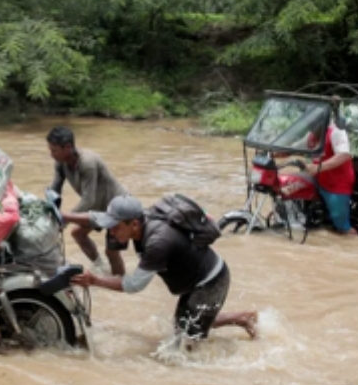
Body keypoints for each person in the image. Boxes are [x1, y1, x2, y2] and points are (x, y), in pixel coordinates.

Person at [70, 195, 258, 346]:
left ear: (133, 224)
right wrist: (63, 216)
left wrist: (95, 280)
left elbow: (135, 284)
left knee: (188, 347)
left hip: (210, 281)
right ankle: (242, 318)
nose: (110, 232)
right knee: (183, 326)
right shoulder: (141, 220)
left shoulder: (158, 242)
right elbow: (96, 218)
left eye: (115, 227)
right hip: (198, 280)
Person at [47, 126, 129, 278]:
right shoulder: (60, 163)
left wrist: (65, 219)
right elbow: (55, 190)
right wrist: (48, 210)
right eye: (50, 150)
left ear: (68, 147)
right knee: (77, 233)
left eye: (55, 150)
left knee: (111, 251)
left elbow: (88, 199)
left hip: (118, 207)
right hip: (98, 207)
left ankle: (120, 283)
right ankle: (99, 265)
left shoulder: (87, 163)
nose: (51, 155)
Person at [303, 109, 356, 235]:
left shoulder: (335, 132)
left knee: (342, 227)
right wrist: (274, 153)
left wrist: (319, 167)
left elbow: (344, 155)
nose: (311, 129)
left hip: (337, 185)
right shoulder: (312, 136)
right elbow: (295, 147)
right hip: (318, 181)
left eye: (313, 125)